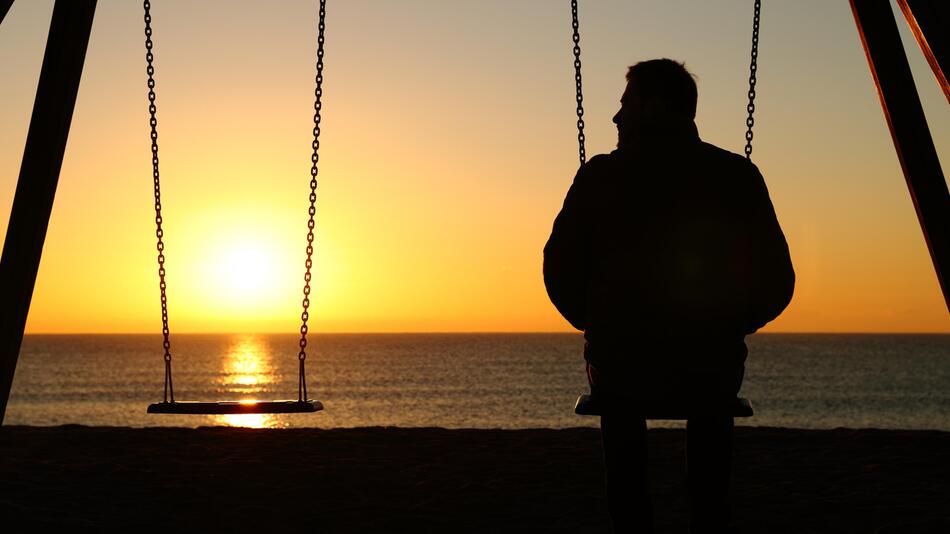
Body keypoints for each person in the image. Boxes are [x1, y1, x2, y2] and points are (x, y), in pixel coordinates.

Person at [543, 59, 794, 533]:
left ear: (654, 106)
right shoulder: (736, 175)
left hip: (622, 363)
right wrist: (731, 323)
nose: (616, 119)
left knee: (618, 389)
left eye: (625, 105)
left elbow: (558, 269)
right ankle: (708, 514)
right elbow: (778, 281)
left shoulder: (600, 177)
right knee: (712, 389)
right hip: (709, 364)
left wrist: (595, 321)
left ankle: (632, 520)